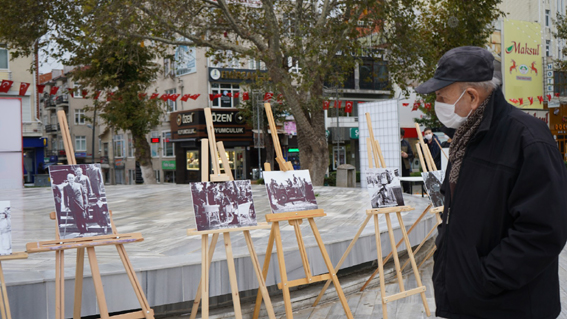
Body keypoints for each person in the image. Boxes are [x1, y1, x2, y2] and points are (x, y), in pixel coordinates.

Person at [415, 46, 567, 319]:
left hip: (509, 305)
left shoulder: (528, 139)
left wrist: (482, 279)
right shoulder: (466, 138)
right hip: (469, 301)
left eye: (441, 96)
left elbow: (543, 232)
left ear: (471, 96)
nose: (436, 103)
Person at [400, 128, 414, 193]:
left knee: (406, 184)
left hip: (405, 167)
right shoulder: (393, 142)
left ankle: (408, 196)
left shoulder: (406, 143)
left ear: (402, 135)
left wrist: (407, 155)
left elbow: (412, 154)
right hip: (396, 166)